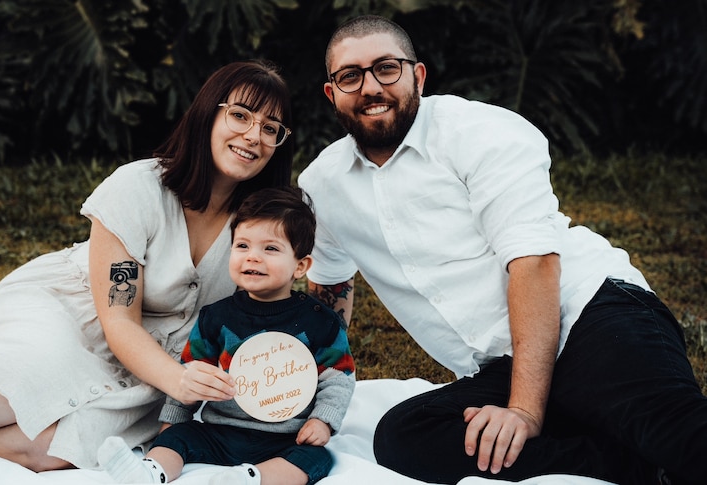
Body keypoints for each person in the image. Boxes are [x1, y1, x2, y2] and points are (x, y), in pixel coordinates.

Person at [297, 14, 707, 485]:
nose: (370, 86)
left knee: (674, 429)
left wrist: (524, 412)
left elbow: (533, 262)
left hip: (590, 316)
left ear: (418, 75)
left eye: (387, 67)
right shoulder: (323, 185)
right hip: (500, 363)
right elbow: (329, 284)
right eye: (350, 75)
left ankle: (650, 450)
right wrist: (301, 390)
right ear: (332, 93)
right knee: (405, 436)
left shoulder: (481, 131)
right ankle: (638, 468)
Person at [0, 59, 296, 472]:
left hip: (151, 364)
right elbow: (118, 317)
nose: (254, 135)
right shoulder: (140, 187)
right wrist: (177, 379)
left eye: (271, 127)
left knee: (45, 451)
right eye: (240, 115)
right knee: (14, 393)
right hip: (75, 314)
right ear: (208, 116)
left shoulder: (262, 224)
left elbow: (303, 295)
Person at [96, 186, 356, 485]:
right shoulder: (216, 317)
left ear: (300, 266)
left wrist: (322, 421)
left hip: (286, 436)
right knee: (176, 439)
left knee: (316, 458)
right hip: (220, 431)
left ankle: (252, 479)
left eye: (270, 249)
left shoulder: (319, 321)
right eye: (242, 246)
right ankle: (149, 473)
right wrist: (173, 422)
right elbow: (191, 372)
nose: (253, 257)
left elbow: (338, 376)